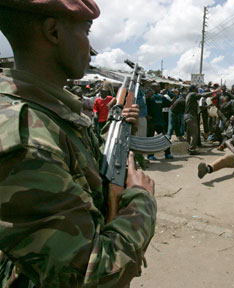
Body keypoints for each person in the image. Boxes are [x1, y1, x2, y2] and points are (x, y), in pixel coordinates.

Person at [0, 1, 157, 287]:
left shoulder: (47, 111)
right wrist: (141, 199)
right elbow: (92, 274)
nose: (89, 45)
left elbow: (84, 175)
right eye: (86, 31)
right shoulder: (25, 138)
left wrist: (119, 130)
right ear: (53, 32)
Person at [147, 82, 174, 160]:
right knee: (150, 139)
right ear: (153, 88)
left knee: (163, 138)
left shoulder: (161, 97)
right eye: (157, 87)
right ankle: (150, 155)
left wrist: (175, 95)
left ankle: (167, 153)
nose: (159, 88)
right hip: (151, 121)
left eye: (159, 87)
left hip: (160, 120)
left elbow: (170, 103)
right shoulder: (148, 97)